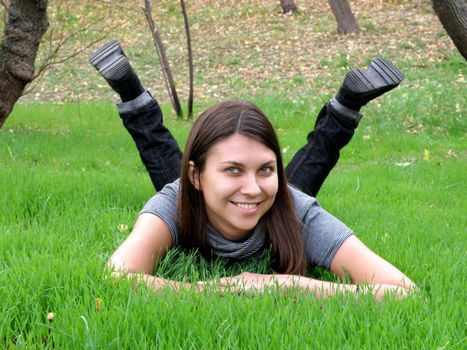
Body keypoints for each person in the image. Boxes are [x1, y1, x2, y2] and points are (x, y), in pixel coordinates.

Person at [89, 40, 415, 300]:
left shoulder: (299, 212)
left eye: (266, 169)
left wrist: (291, 287)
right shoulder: (173, 203)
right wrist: (217, 292)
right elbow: (116, 278)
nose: (253, 187)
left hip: (283, 203)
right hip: (192, 197)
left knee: (291, 194)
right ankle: (132, 95)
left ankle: (344, 108)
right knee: (172, 177)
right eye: (232, 170)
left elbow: (404, 293)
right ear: (196, 177)